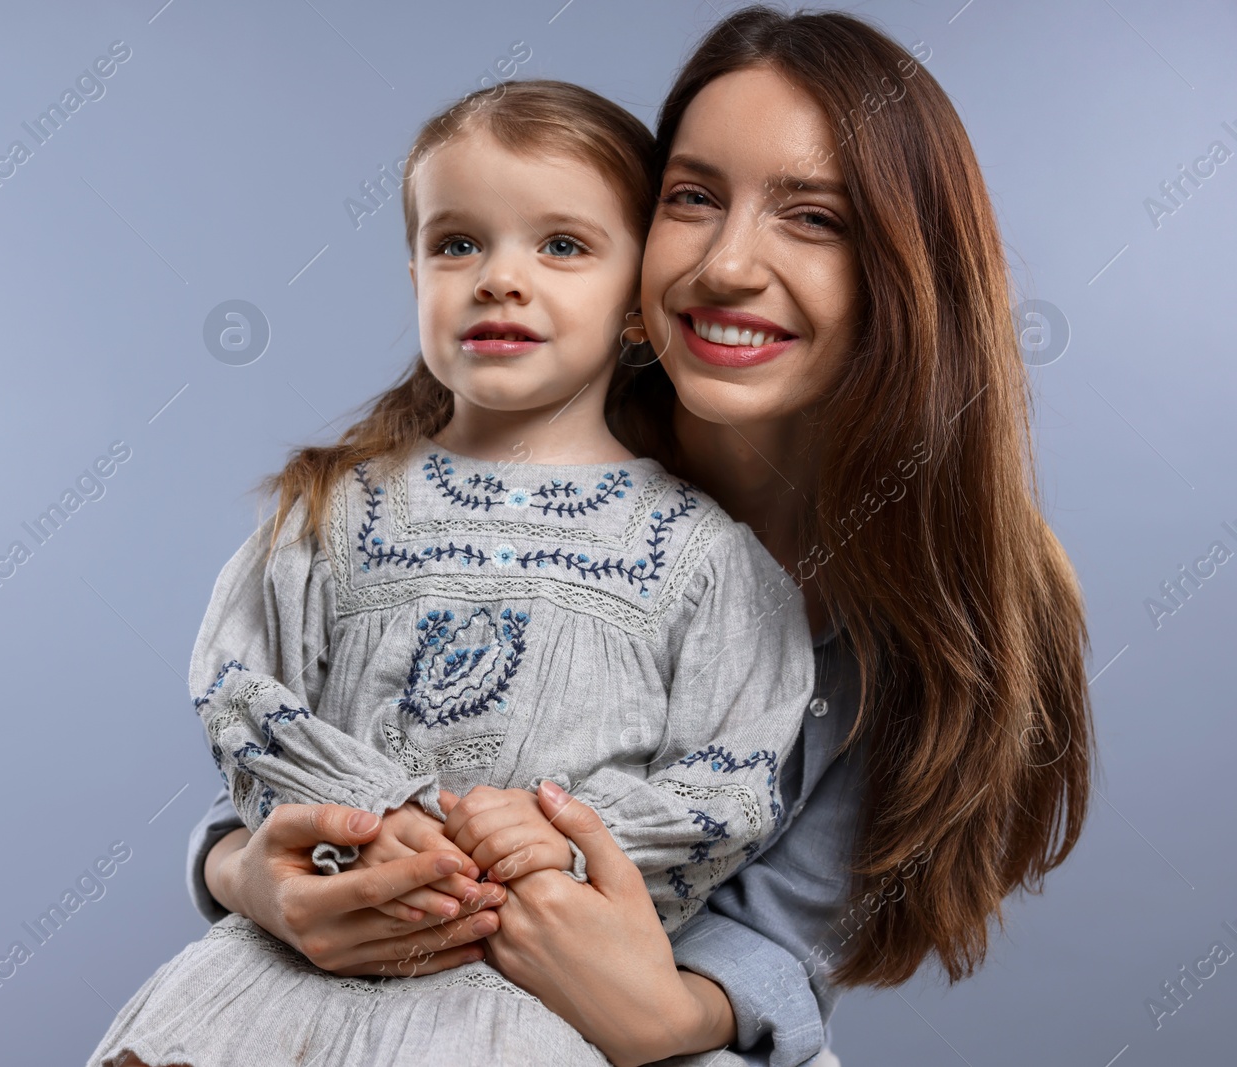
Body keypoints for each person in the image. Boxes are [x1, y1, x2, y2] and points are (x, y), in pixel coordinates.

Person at [104, 6, 1095, 1065]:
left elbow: (787, 936)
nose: (725, 264)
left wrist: (677, 1014)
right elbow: (297, 732)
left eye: (814, 217)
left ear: (904, 270)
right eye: (693, 197)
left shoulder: (921, 598)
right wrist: (244, 871)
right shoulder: (449, 457)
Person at [87, 77, 820, 1067]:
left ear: (640, 306)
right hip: (309, 959)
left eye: (560, 245)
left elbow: (730, 779)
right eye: (455, 242)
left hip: (538, 996)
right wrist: (368, 815)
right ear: (414, 273)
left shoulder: (705, 558)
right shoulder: (329, 510)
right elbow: (241, 694)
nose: (498, 278)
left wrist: (567, 845)